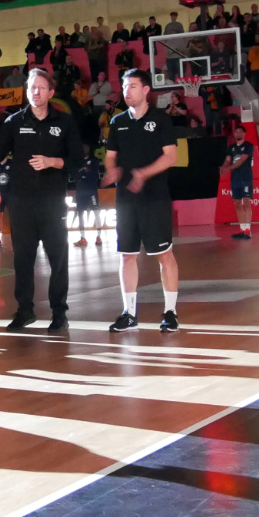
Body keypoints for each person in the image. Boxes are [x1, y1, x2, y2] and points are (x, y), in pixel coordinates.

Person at [0, 68, 82, 333]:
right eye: (32, 88)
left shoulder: (65, 122)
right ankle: (25, 311)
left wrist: (53, 162)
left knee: (58, 258)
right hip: (21, 203)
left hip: (53, 203)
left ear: (51, 92)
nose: (36, 92)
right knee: (22, 259)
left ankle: (60, 313)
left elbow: (77, 160)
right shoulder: (14, 122)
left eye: (41, 88)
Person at [103, 69, 180, 334]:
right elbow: (110, 155)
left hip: (155, 198)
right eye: (125, 87)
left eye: (133, 86)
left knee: (163, 254)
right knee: (127, 255)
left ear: (146, 90)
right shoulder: (117, 122)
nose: (127, 91)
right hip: (125, 199)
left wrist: (143, 174)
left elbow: (171, 157)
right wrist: (111, 169)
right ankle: (129, 313)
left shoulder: (160, 120)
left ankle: (170, 312)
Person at [224, 125, 255, 240]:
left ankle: (248, 230)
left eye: (240, 132)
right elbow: (228, 160)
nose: (237, 134)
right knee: (237, 203)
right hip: (235, 178)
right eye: (236, 132)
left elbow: (242, 160)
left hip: (246, 177)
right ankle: (242, 228)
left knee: (246, 202)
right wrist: (224, 167)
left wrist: (229, 167)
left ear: (244, 134)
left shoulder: (248, 146)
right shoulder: (230, 148)